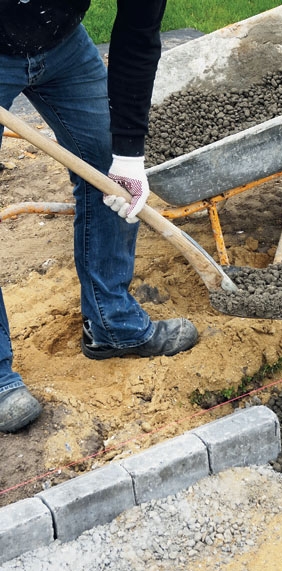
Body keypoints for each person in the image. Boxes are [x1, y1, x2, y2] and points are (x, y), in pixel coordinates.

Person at [0, 0, 198, 433]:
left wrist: (128, 156)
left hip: (61, 42)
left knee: (110, 176)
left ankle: (112, 324)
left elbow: (138, 34)